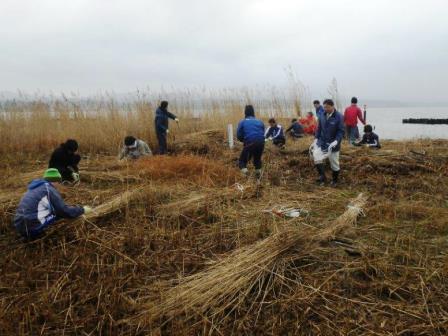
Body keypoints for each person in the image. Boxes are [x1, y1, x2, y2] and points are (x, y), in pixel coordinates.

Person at [13, 168, 91, 239]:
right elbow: (63, 211)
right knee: (56, 215)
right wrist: (82, 210)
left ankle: (28, 236)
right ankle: (36, 234)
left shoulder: (35, 188)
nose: (60, 185)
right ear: (56, 181)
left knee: (54, 212)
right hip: (31, 226)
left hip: (19, 224)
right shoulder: (49, 189)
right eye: (60, 182)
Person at [312, 99, 345, 186]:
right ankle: (322, 176)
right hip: (322, 142)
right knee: (317, 157)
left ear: (332, 106)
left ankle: (335, 180)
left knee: (334, 163)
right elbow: (319, 128)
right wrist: (316, 139)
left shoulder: (339, 116)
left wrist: (336, 141)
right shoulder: (322, 115)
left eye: (327, 107)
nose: (325, 109)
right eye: (324, 107)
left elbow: (341, 131)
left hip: (333, 144)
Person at [236, 105, 265, 177]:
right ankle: (258, 177)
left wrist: (244, 141)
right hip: (261, 143)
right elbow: (262, 133)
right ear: (253, 112)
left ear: (245, 112)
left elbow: (239, 135)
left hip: (250, 142)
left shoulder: (242, 122)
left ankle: (246, 174)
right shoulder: (260, 121)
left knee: (242, 161)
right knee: (257, 160)